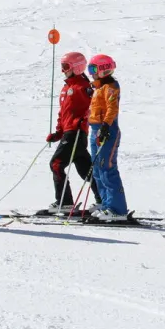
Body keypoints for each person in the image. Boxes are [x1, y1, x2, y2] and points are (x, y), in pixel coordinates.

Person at [45, 51, 100, 213]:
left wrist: (84, 119)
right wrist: (58, 132)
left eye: (66, 66)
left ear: (76, 68)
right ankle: (103, 200)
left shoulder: (83, 86)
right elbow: (64, 113)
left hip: (76, 133)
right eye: (62, 66)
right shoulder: (67, 88)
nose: (63, 70)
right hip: (70, 132)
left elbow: (93, 105)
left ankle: (65, 202)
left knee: (56, 164)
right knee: (86, 170)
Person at [87, 54, 129, 221]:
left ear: (104, 70)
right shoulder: (98, 88)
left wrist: (106, 125)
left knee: (107, 168)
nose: (91, 73)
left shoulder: (111, 87)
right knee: (97, 169)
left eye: (94, 69)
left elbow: (112, 108)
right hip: (95, 129)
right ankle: (106, 204)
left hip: (107, 130)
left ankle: (117, 209)